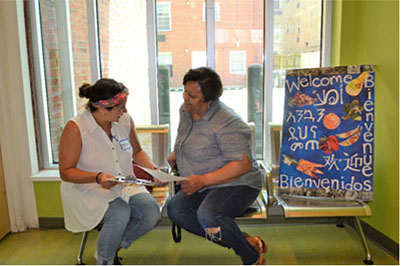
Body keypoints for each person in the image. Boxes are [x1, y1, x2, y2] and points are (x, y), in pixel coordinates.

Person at [167, 67, 267, 265]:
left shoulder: (228, 122)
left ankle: (252, 258)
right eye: (184, 91)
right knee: (176, 210)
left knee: (209, 216)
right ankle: (242, 240)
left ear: (208, 99)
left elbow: (243, 165)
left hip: (238, 183)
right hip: (202, 182)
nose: (185, 98)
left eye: (192, 95)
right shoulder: (186, 110)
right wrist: (177, 153)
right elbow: (186, 136)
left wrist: (202, 180)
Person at [59, 78, 161, 265]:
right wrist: (97, 177)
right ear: (102, 108)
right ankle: (106, 261)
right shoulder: (76, 128)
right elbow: (66, 172)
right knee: (119, 213)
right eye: (120, 107)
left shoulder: (123, 121)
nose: (125, 111)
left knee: (151, 211)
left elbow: (137, 152)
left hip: (123, 184)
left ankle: (110, 250)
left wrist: (154, 171)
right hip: (87, 188)